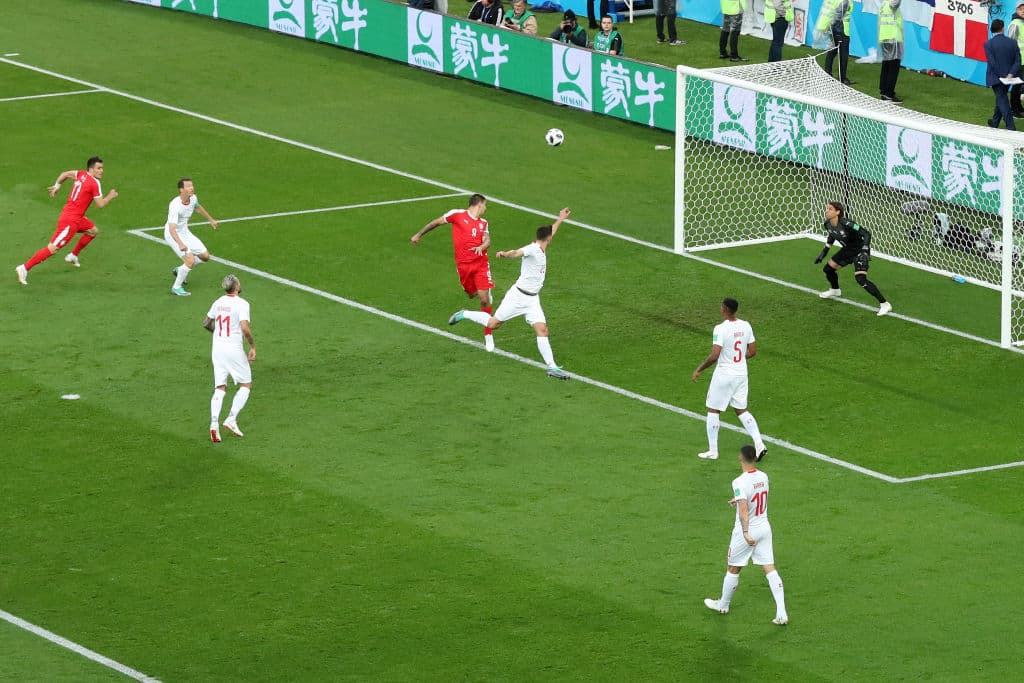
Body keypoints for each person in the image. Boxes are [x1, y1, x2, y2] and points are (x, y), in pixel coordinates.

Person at [448, 208, 572, 380]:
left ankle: (551, 367)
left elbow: (552, 231)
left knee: (542, 330)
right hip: (518, 296)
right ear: (548, 239)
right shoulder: (533, 249)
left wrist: (560, 219)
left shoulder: (543, 244)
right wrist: (506, 254)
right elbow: (517, 252)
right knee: (493, 324)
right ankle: (465, 313)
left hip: (532, 299)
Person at [703, 445, 789, 626]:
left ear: (740, 458)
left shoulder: (738, 482)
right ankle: (781, 612)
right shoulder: (764, 476)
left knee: (733, 568)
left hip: (748, 531)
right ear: (755, 459)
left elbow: (744, 511)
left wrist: (745, 532)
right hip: (764, 527)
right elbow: (757, 494)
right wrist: (739, 498)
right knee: (769, 568)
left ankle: (723, 605)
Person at [412, 194, 497, 352]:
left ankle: (488, 335)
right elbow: (436, 223)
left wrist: (482, 247)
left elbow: (488, 240)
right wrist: (419, 234)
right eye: (485, 205)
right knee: (472, 295)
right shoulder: (457, 215)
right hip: (464, 266)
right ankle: (469, 308)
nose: (486, 208)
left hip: (480, 265)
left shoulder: (483, 223)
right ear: (478, 205)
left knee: (485, 299)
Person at [15, 157, 118, 285]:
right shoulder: (94, 183)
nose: (102, 171)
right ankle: (24, 268)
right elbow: (100, 204)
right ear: (91, 169)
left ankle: (73, 255)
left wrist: (57, 186)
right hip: (70, 221)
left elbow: (65, 174)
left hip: (75, 216)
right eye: (99, 168)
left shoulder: (81, 174)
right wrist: (110, 196)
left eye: (102, 168)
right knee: (52, 248)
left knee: (93, 231)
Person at [691, 298, 768, 462]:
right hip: (741, 374)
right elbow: (753, 351)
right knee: (741, 409)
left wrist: (699, 369)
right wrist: (738, 359)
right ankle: (759, 444)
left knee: (713, 409)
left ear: (724, 309)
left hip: (724, 374)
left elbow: (715, 355)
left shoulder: (720, 329)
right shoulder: (746, 325)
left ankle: (713, 451)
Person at [815, 201, 892, 316]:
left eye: (830, 209)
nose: (827, 210)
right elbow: (832, 235)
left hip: (860, 250)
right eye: (827, 208)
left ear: (838, 212)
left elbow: (866, 234)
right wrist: (824, 252)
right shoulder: (827, 224)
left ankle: (885, 304)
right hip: (848, 250)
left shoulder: (847, 224)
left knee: (860, 278)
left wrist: (865, 250)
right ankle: (835, 290)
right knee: (828, 269)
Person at [203, 274, 256, 443]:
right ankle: (231, 419)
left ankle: (213, 424)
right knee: (246, 384)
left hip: (217, 349)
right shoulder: (242, 304)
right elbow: (245, 329)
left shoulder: (218, 301)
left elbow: (206, 323)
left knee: (220, 387)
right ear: (236, 286)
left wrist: (219, 334)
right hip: (233, 349)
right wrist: (252, 346)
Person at [165, 178, 219, 297]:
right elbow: (171, 229)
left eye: (192, 185)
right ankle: (176, 287)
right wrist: (180, 244)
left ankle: (180, 270)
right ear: (181, 189)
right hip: (173, 235)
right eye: (188, 186)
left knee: (205, 256)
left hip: (184, 232)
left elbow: (198, 208)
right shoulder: (175, 205)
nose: (191, 188)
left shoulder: (193, 198)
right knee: (190, 260)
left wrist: (211, 220)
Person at [985, 19, 1021, 131]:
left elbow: (992, 63)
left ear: (992, 30)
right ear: (1003, 28)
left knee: (1002, 100)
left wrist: (1002, 75)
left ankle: (1011, 127)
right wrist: (1010, 74)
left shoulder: (988, 44)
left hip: (996, 77)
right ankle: (994, 122)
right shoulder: (1013, 42)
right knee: (1001, 98)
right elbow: (1018, 61)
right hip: (1009, 78)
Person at [816, 0, 854, 85]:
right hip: (841, 29)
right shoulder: (845, 1)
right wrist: (838, 31)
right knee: (843, 54)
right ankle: (842, 78)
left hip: (832, 27)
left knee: (832, 51)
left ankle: (827, 73)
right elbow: (839, 16)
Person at [878, 0, 904, 103]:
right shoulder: (892, 3)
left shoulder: (884, 3)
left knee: (886, 65)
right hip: (893, 38)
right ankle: (889, 94)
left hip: (884, 37)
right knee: (893, 67)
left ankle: (884, 91)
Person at [1008, 4, 1024, 118]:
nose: (1023, 11)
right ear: (1016, 10)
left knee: (1020, 84)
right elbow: (1010, 43)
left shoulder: (1022, 23)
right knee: (1016, 85)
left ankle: (1018, 107)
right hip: (1018, 61)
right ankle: (1014, 110)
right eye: (1021, 9)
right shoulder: (1015, 24)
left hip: (1023, 61)